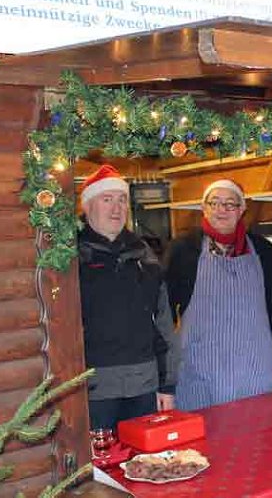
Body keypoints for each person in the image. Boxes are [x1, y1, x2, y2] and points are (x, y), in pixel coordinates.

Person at [165, 179, 272, 411]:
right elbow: (164, 314)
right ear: (204, 208)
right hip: (201, 371)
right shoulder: (183, 250)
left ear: (242, 210)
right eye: (214, 203)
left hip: (256, 370)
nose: (222, 210)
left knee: (260, 426)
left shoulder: (262, 248)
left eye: (230, 204)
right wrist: (165, 381)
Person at [77, 164, 179, 430]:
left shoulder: (144, 255)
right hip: (93, 391)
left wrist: (167, 385)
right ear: (87, 206)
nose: (116, 208)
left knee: (146, 454)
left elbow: (163, 324)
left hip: (144, 387)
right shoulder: (71, 258)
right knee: (100, 458)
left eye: (122, 200)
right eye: (107, 199)